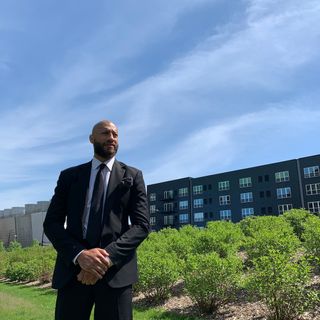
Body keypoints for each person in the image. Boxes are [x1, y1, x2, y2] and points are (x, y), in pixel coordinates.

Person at [43, 120, 150, 320]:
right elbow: (52, 223)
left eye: (115, 134)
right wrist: (80, 256)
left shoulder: (133, 176)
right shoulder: (69, 177)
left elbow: (141, 226)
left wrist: (104, 260)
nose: (111, 138)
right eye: (105, 133)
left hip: (115, 274)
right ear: (91, 139)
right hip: (74, 274)